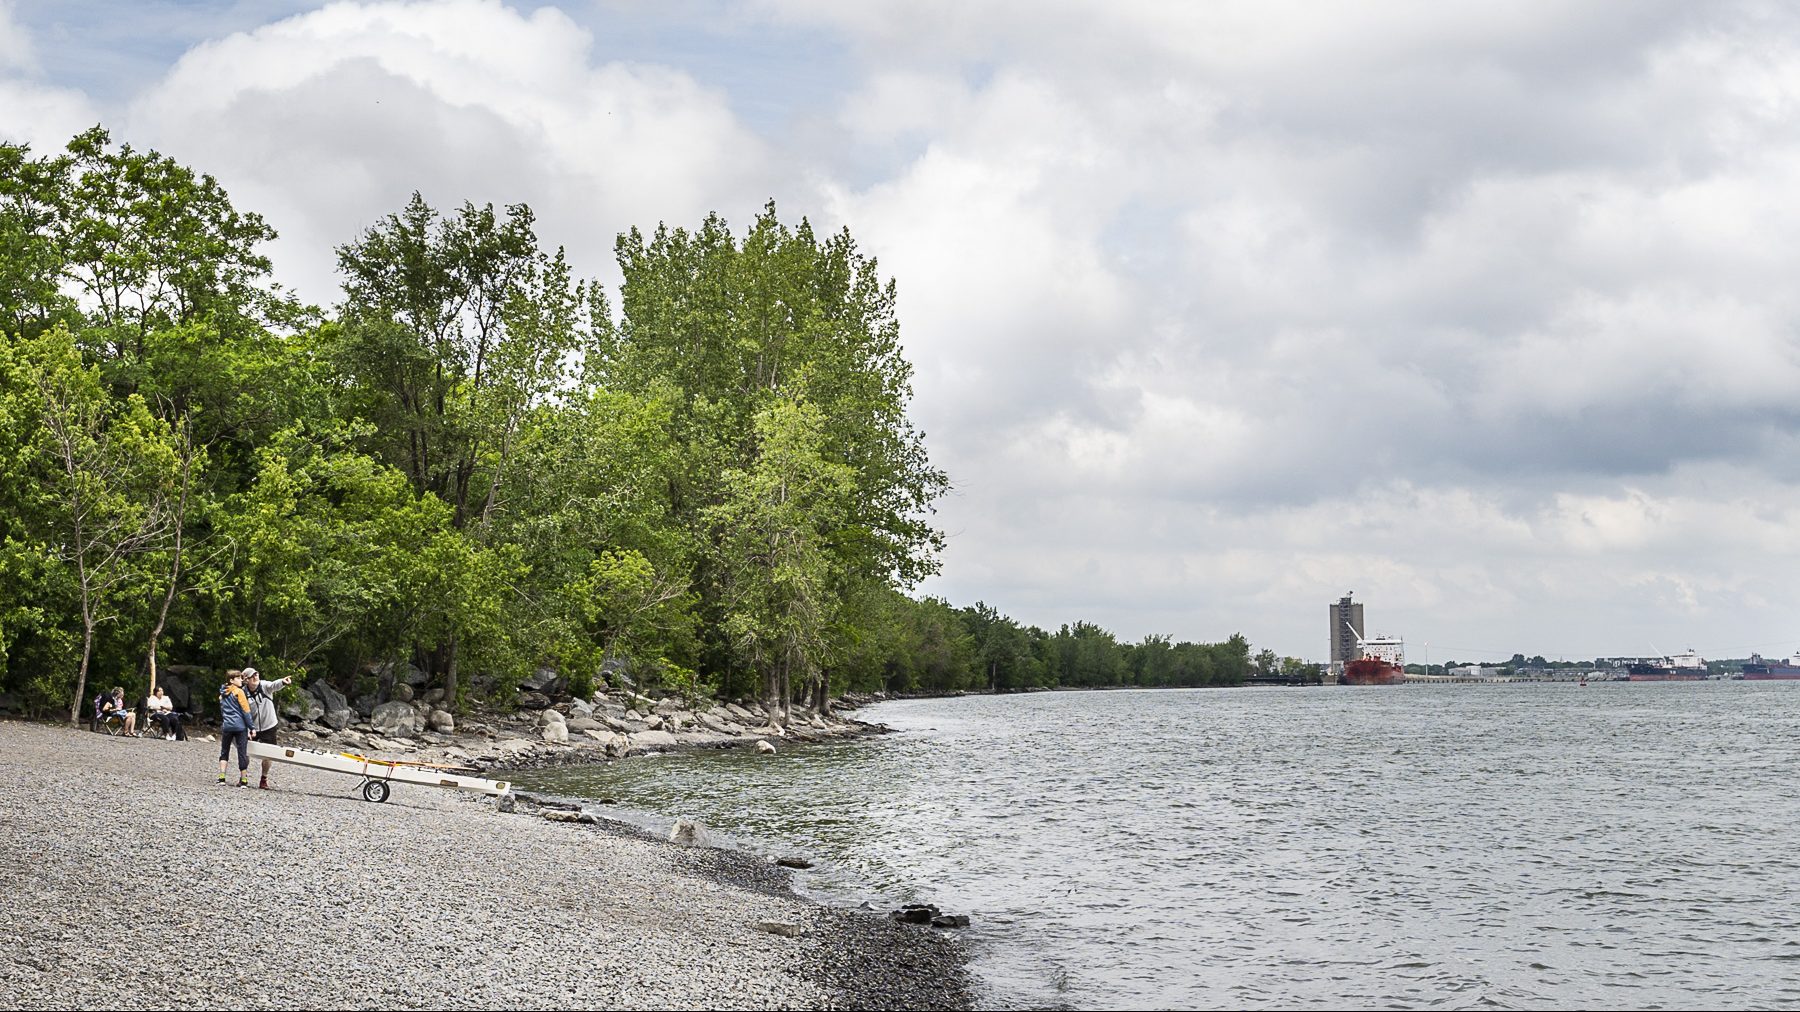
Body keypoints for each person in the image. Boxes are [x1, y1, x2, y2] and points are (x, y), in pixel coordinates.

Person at [242, 667, 295, 790]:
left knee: (268, 754)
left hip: (269, 726)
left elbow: (274, 685)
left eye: (256, 674)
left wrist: (283, 681)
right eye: (252, 676)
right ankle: (243, 777)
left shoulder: (264, 686)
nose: (255, 677)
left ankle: (263, 779)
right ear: (246, 680)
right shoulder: (242, 693)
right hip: (251, 727)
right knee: (245, 752)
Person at [217, 670, 253, 787]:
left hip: (227, 726)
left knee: (224, 751)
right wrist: (251, 727)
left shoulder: (222, 694)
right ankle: (243, 780)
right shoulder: (239, 692)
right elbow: (246, 711)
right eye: (238, 678)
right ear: (231, 680)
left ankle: (222, 777)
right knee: (242, 752)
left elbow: (222, 711)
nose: (241, 680)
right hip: (240, 727)